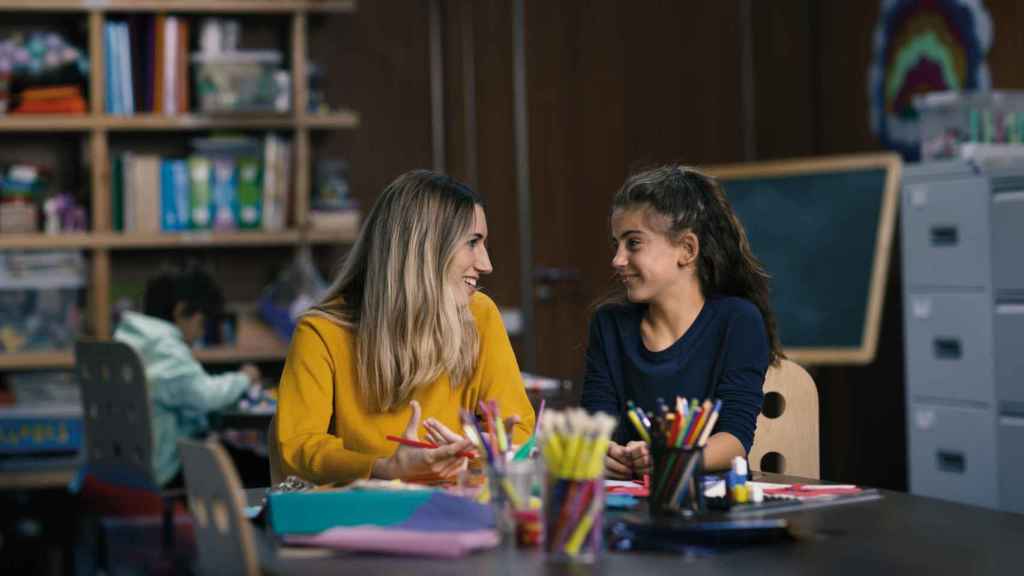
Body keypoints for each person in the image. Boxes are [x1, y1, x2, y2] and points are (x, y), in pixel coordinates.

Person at [273, 169, 535, 485]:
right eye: (472, 243)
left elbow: (517, 428)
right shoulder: (321, 332)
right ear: (423, 249)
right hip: (362, 519)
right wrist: (385, 467)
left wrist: (475, 452)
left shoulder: (481, 314)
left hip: (456, 512)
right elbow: (296, 445)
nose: (486, 264)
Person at [581, 165, 784, 479]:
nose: (617, 260)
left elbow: (734, 440)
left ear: (687, 249)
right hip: (626, 504)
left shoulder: (738, 321)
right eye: (616, 244)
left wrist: (671, 460)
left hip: (707, 507)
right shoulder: (608, 324)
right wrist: (603, 454)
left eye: (633, 243)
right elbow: (597, 426)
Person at [113, 262, 263, 488]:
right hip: (166, 469)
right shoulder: (165, 348)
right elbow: (205, 396)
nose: (201, 333)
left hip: (131, 464)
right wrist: (245, 377)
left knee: (240, 458)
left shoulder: (133, 337)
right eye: (202, 323)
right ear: (181, 311)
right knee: (257, 471)